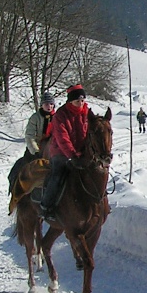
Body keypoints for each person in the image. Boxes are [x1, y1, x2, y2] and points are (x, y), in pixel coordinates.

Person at [39, 85, 91, 216]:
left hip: (81, 151)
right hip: (61, 151)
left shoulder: (86, 112)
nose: (81, 103)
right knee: (58, 175)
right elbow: (62, 138)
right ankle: (46, 205)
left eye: (83, 100)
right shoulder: (61, 115)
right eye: (78, 101)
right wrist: (72, 155)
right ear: (70, 101)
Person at [8, 92, 56, 194]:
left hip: (53, 148)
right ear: (42, 105)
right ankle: (18, 189)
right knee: (24, 166)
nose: (49, 106)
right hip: (36, 147)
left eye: (51, 104)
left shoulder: (57, 118)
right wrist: (35, 151)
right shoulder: (35, 117)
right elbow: (30, 136)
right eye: (47, 104)